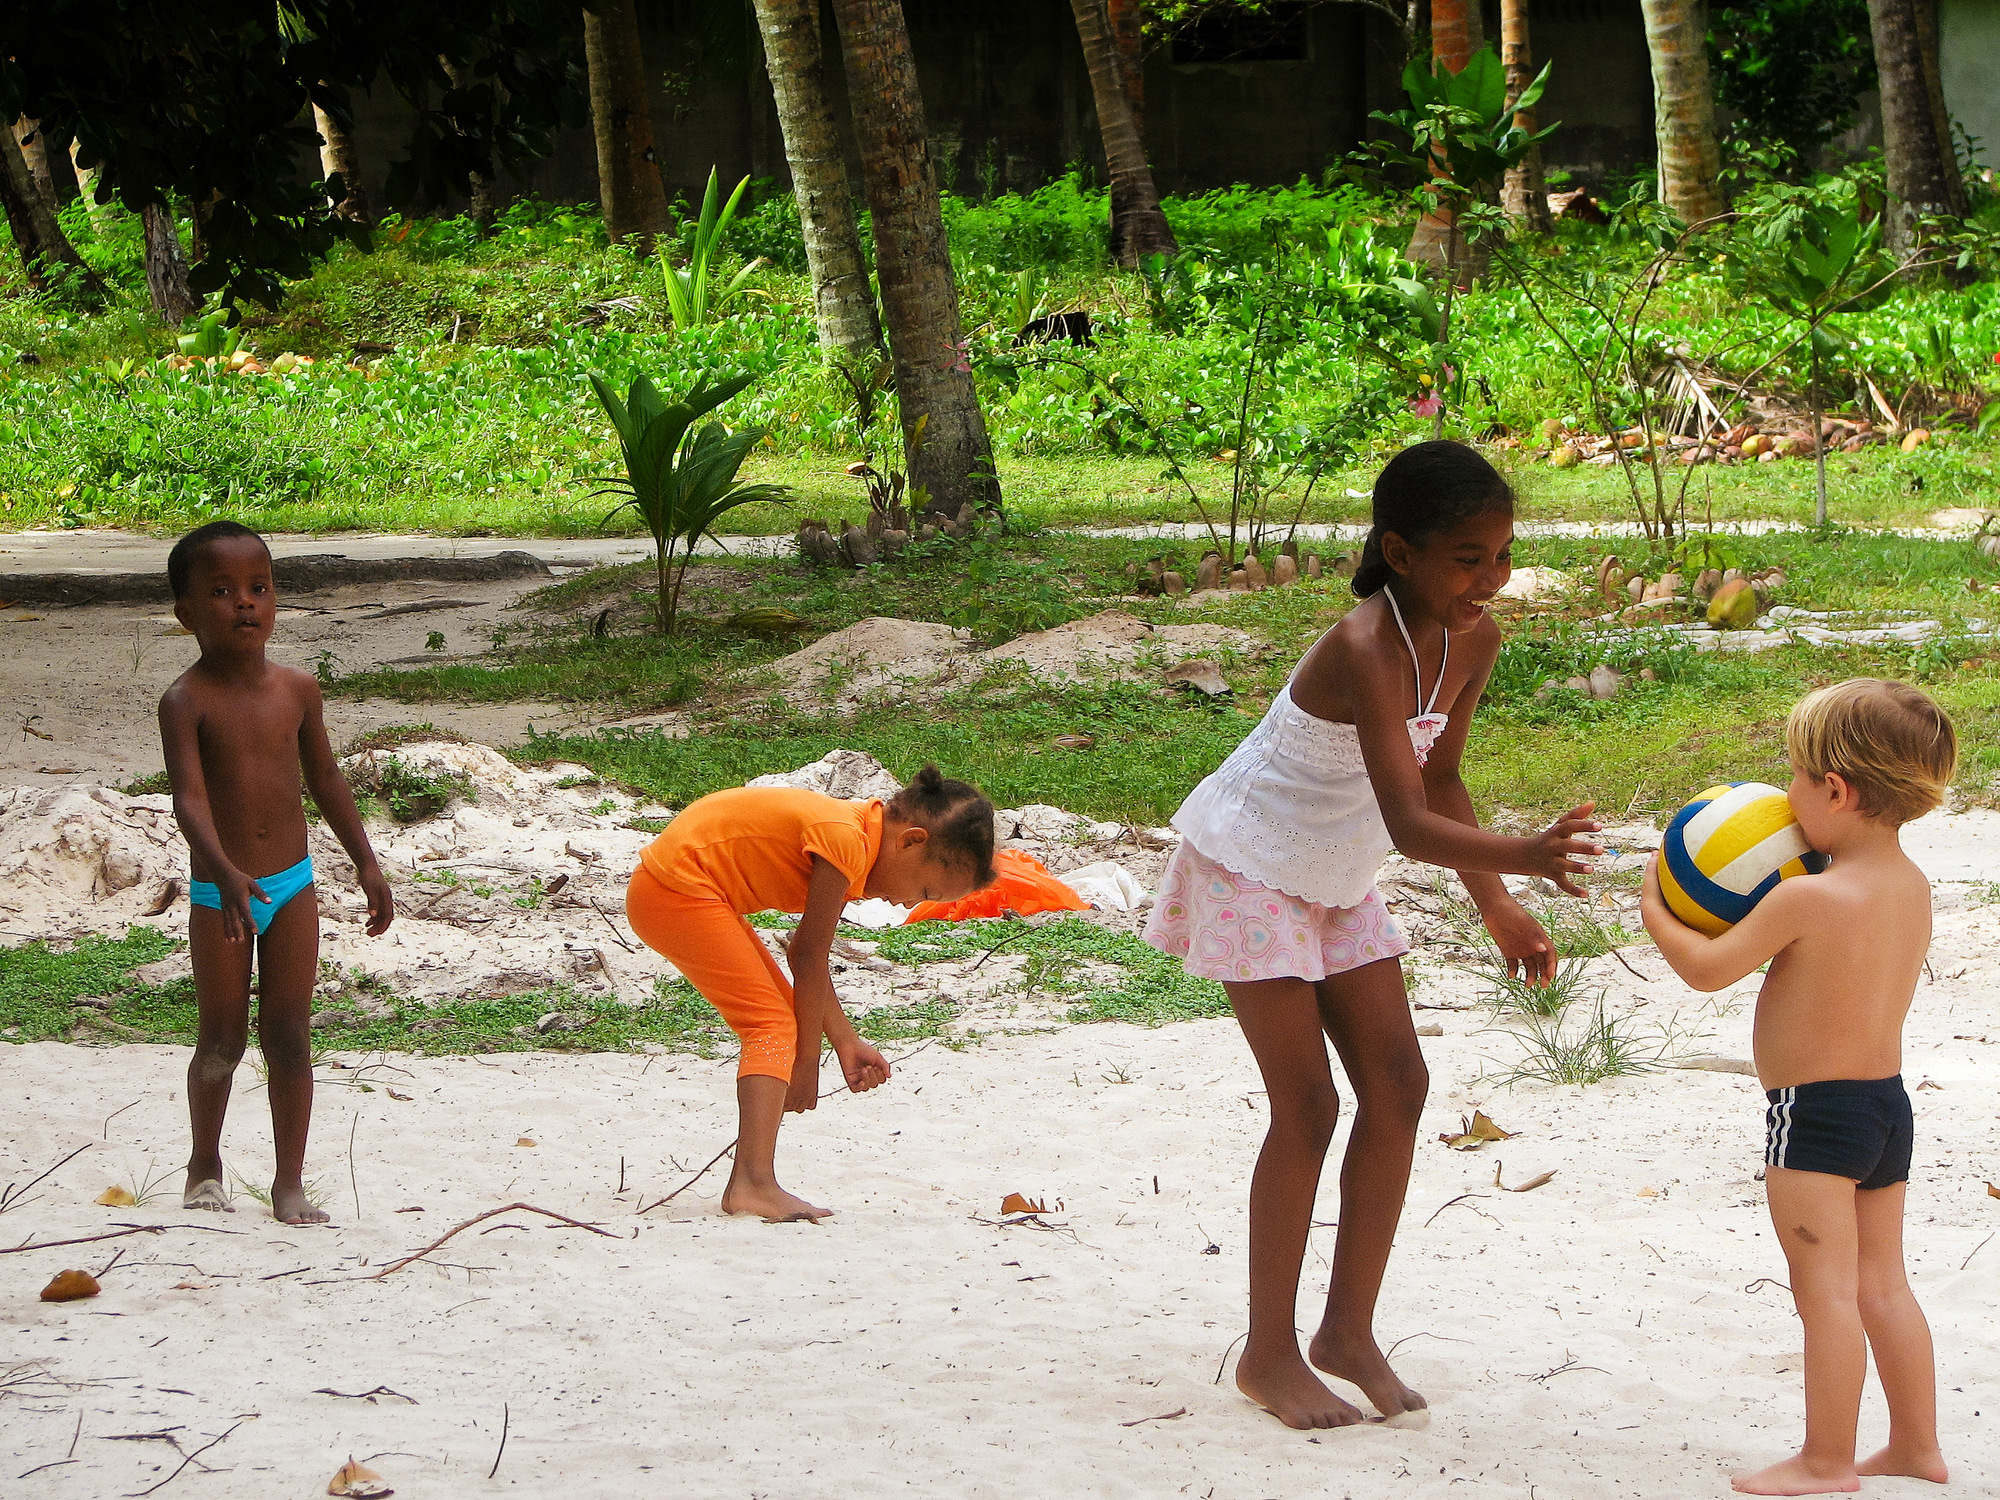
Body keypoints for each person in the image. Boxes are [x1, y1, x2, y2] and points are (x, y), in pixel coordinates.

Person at [1142, 440, 1603, 1430]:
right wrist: (1524, 854)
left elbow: (1439, 783)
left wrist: (1497, 903)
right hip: (1250, 862)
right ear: (1398, 552)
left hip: (1333, 874)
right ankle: (1267, 1355)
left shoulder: (1471, 641)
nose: (1490, 579)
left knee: (1397, 1087)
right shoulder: (1361, 646)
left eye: (1501, 555)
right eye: (1466, 558)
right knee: (1304, 1106)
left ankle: (1343, 1331)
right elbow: (1405, 823)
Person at [1642, 680, 1955, 1496]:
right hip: (1887, 1106)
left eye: (1796, 778)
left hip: (1812, 1116)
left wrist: (1655, 904)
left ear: (1837, 791)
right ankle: (1918, 1445)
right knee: (1884, 1281)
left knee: (1824, 1293)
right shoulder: (1911, 885)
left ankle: (1826, 1461)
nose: (1786, 796)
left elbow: (1707, 971)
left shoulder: (1806, 896)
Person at [626, 766, 996, 1222]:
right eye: (924, 890)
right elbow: (809, 956)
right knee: (771, 1025)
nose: (908, 904)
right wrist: (804, 1066)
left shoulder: (855, 835)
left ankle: (752, 1179)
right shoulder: (844, 840)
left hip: (684, 889)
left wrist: (845, 1042)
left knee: (777, 1019)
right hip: (676, 890)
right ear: (910, 841)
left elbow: (806, 953)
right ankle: (752, 1184)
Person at [158, 520, 394, 1224]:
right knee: (221, 1040)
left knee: (289, 1034)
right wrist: (223, 871)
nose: (245, 604)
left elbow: (325, 778)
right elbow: (189, 799)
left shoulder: (298, 690)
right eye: (223, 592)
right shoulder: (185, 700)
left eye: (258, 588)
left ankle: (288, 1182)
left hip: (291, 887)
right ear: (187, 614)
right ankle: (205, 1165)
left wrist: (366, 861)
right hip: (219, 892)